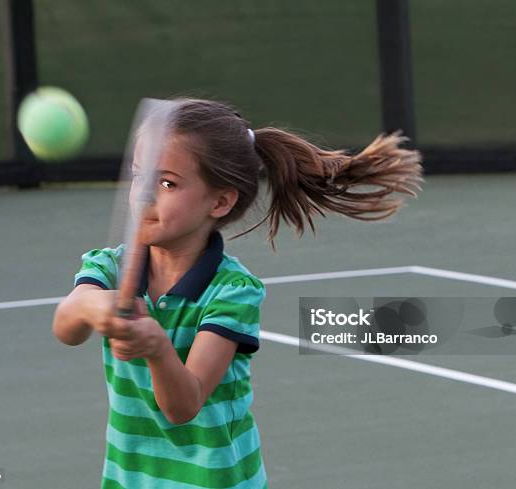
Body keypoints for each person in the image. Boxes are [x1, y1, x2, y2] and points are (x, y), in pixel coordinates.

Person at [52, 97, 424, 489]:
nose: (144, 196)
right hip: (128, 480)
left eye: (166, 183)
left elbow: (183, 406)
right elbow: (67, 326)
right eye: (139, 176)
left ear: (220, 201)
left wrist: (156, 347)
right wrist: (97, 306)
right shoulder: (108, 266)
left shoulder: (232, 292)